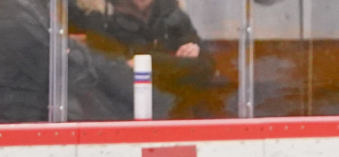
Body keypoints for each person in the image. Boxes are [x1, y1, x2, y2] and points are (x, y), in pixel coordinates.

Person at [70, 0, 216, 118]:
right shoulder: (103, 17)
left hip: (177, 114)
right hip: (121, 115)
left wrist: (146, 62)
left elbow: (207, 66)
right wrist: (176, 63)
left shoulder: (174, 15)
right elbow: (113, 71)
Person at [0, 0, 136, 122]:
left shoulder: (38, 7)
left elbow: (69, 52)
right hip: (26, 122)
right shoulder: (12, 14)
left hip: (41, 115)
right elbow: (65, 66)